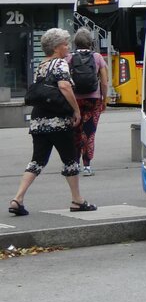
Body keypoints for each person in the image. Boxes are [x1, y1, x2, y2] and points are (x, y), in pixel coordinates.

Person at [8, 28, 97, 216]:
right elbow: (64, 86)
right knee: (70, 159)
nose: (68, 47)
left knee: (37, 160)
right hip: (57, 120)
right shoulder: (60, 63)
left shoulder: (42, 65)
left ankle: (18, 198)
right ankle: (77, 200)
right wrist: (76, 110)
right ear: (57, 48)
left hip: (39, 119)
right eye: (65, 44)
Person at [71, 28, 110, 177]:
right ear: (90, 43)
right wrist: (104, 99)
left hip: (75, 100)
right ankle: (87, 166)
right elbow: (105, 82)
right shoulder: (98, 57)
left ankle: (74, 164)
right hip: (93, 100)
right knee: (89, 133)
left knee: (75, 132)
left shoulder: (69, 58)